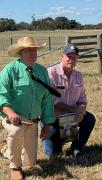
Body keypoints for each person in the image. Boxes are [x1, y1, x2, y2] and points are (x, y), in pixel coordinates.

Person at [0, 37, 55, 180]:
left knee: (30, 162)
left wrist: (47, 124)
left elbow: (47, 100)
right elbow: (1, 94)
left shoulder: (42, 71)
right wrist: (10, 112)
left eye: (35, 50)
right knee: (16, 130)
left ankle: (4, 149)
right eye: (29, 51)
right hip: (12, 116)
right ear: (20, 53)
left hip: (32, 121)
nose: (33, 53)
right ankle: (15, 168)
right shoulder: (9, 70)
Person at [43, 44, 96, 158]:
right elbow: (52, 102)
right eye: (69, 56)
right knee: (52, 156)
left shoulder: (78, 76)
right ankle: (59, 142)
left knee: (89, 119)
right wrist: (74, 110)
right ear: (62, 56)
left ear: (78, 59)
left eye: (74, 57)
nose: (71, 59)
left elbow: (82, 99)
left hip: (69, 117)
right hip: (52, 118)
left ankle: (76, 148)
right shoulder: (50, 74)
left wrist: (81, 112)